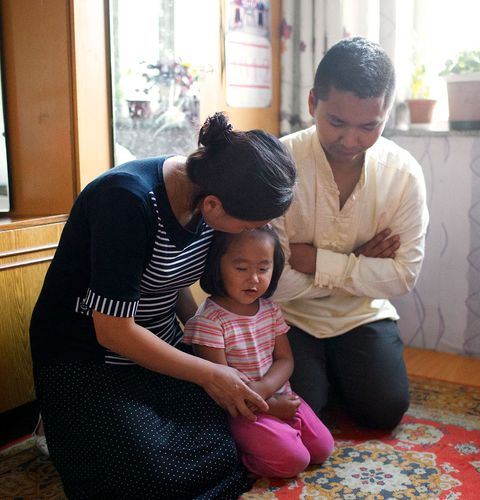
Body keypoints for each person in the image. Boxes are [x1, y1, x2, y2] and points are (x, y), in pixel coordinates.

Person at [29, 112, 296, 499]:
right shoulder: (126, 200)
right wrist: (208, 373)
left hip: (161, 344)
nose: (249, 234)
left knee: (228, 432)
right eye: (246, 225)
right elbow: (113, 331)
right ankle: (62, 426)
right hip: (89, 358)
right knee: (153, 479)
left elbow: (173, 284)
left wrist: (212, 339)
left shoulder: (206, 194)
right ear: (213, 206)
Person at [271, 37, 429, 430]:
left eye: (369, 126)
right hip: (291, 316)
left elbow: (404, 276)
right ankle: (325, 380)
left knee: (385, 410)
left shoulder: (404, 174)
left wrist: (319, 261)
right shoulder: (278, 164)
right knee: (305, 413)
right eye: (336, 122)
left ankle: (336, 376)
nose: (350, 140)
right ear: (312, 104)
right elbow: (273, 284)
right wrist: (359, 263)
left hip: (362, 313)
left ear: (387, 115)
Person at [182, 227, 334, 478]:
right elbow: (221, 388)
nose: (253, 278)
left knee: (322, 449)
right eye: (241, 268)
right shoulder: (210, 321)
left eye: (263, 269)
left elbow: (285, 359)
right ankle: (239, 457)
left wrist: (265, 389)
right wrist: (269, 406)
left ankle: (282, 437)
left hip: (275, 396)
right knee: (294, 461)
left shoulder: (270, 310)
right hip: (242, 411)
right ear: (216, 265)